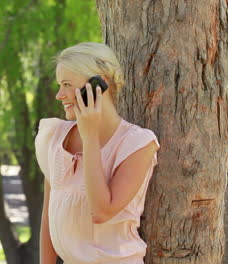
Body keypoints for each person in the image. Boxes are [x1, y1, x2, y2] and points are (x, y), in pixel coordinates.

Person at [35, 42, 160, 264]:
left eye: (66, 84)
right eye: (59, 85)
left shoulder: (137, 144)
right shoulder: (54, 136)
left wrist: (89, 137)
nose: (59, 95)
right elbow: (48, 214)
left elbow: (101, 212)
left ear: (99, 83)